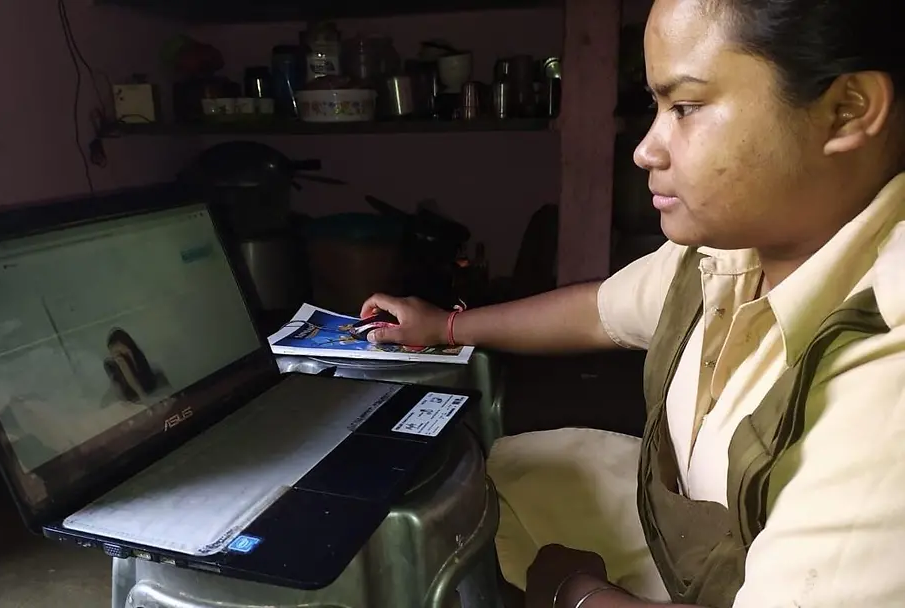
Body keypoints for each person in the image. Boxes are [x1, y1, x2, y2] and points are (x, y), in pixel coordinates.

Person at [360, 0, 905, 606]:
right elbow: (598, 310)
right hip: (699, 559)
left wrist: (574, 589)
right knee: (498, 476)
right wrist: (446, 326)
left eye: (687, 107)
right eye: (656, 107)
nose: (646, 150)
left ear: (846, 111)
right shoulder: (733, 254)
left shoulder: (888, 369)